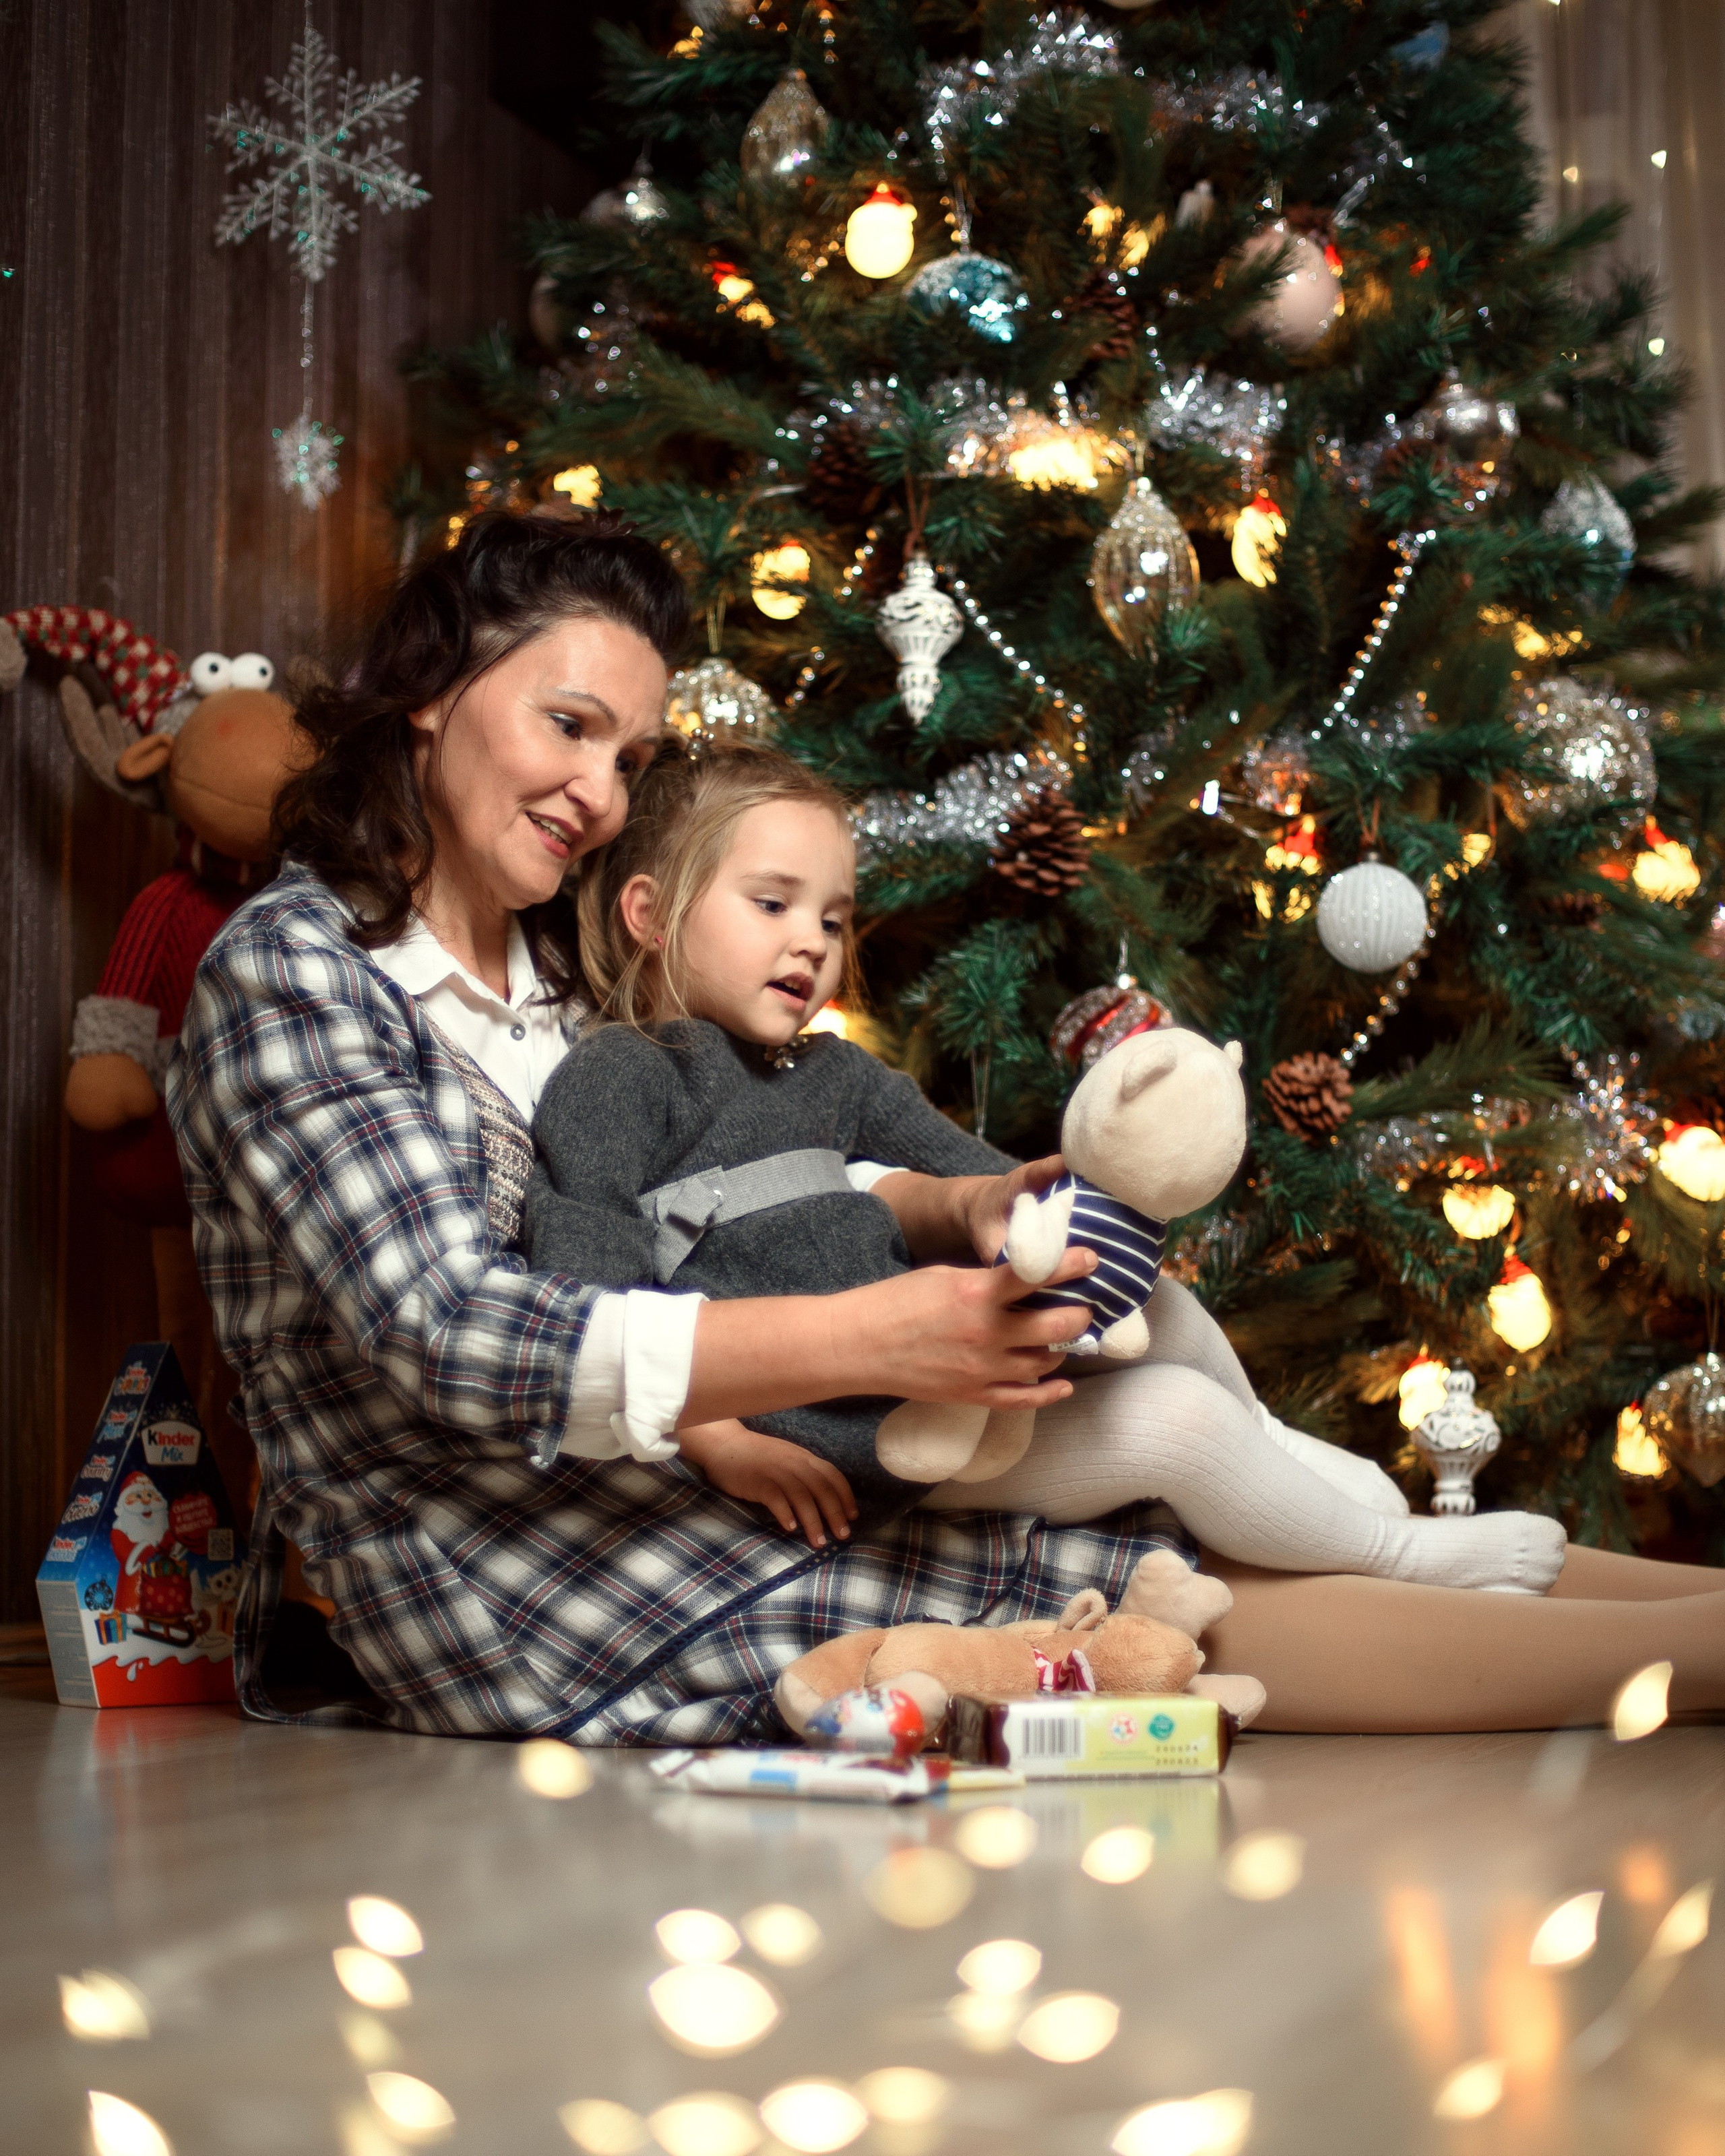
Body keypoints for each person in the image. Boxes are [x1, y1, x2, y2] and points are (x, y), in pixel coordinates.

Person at [168, 512, 1725, 1742]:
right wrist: (869, 1338)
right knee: (1136, 1575)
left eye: (629, 760)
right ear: (433, 695)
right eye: (565, 726)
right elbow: (459, 1334)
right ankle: (1698, 1659)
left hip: (716, 1467)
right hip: (509, 1573)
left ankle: (1689, 1607)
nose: (593, 788)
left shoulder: (570, 973)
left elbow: (752, 1183)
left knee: (1149, 1452)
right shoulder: (297, 969)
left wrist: (948, 1214)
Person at [528, 739, 1571, 1597]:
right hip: (860, 1440)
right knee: (1177, 1425)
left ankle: (1273, 1446)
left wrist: (1003, 1207)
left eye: (835, 919)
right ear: (650, 915)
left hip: (956, 1373)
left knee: (1156, 1309)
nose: (812, 944)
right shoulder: (621, 1075)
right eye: (773, 905)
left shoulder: (833, 1072)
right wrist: (715, 1437)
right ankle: (1405, 1558)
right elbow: (589, 1302)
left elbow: (988, 1176)